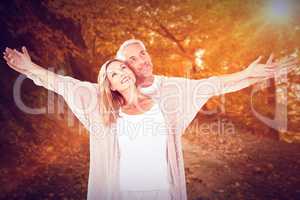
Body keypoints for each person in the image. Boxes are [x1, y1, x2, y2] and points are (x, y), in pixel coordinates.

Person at [3, 46, 298, 200]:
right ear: (111, 86)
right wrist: (29, 68)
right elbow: (61, 84)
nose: (122, 74)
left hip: (163, 192)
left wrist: (251, 73)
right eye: (115, 74)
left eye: (123, 68)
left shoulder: (165, 102)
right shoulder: (102, 108)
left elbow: (213, 85)